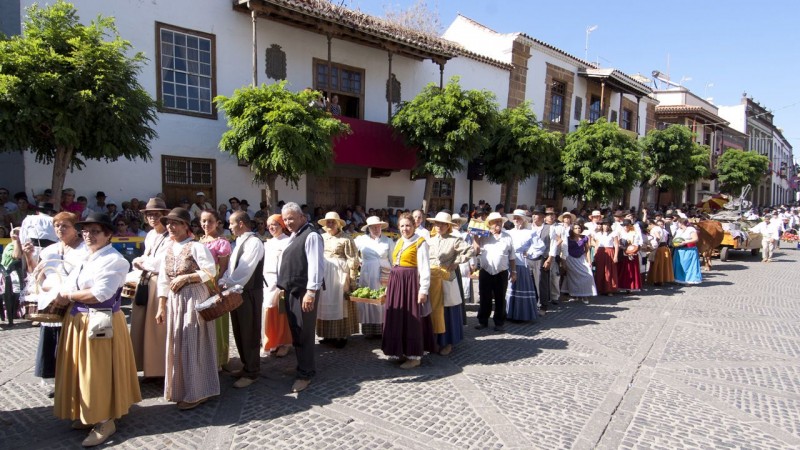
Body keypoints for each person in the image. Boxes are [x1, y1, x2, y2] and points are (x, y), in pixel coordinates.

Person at [53, 212, 140, 447]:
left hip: (101, 319)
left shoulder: (116, 260)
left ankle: (104, 419)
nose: (88, 235)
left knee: (97, 371)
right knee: (80, 369)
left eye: (95, 231)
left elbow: (99, 294)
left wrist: (67, 295)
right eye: (86, 231)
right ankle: (88, 412)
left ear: (108, 234)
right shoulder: (86, 257)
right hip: (78, 319)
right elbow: (72, 283)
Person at [155, 208, 219, 409]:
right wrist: (161, 305)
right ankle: (181, 388)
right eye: (168, 223)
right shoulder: (167, 248)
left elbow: (211, 271)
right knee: (177, 341)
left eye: (175, 223)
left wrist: (187, 277)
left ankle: (198, 391)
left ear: (185, 225)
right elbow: (163, 280)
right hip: (175, 300)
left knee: (194, 341)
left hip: (193, 296)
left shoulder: (196, 247)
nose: (170, 227)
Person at [28, 212, 88, 398]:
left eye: (65, 226)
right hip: (52, 303)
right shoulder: (49, 250)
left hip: (74, 302)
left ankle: (76, 380)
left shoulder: (85, 250)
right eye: (57, 226)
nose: (60, 229)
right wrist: (29, 256)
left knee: (72, 343)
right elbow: (38, 274)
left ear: (75, 228)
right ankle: (58, 381)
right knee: (53, 342)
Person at [276, 202, 324, 393]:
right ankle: (302, 366)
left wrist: (311, 292)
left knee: (304, 332)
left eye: (291, 218)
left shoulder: (311, 235)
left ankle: (306, 373)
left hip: (304, 292)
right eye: (285, 219)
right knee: (296, 330)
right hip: (292, 290)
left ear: (302, 217)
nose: (287, 222)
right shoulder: (294, 235)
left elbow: (316, 265)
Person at [219, 211, 265, 388]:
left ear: (241, 223)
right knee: (239, 330)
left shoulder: (254, 242)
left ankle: (253, 371)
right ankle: (246, 366)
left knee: (250, 331)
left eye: (231, 223)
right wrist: (225, 281)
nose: (229, 226)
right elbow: (233, 268)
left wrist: (228, 283)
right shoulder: (239, 242)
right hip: (237, 290)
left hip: (249, 291)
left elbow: (244, 270)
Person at [382, 212, 433, 369]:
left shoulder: (420, 242)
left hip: (410, 284)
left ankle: (414, 356)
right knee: (398, 317)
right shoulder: (398, 241)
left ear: (414, 226)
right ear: (398, 227)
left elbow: (425, 268)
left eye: (408, 225)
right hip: (397, 284)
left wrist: (423, 290)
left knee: (411, 319)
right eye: (402, 226)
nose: (405, 229)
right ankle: (401, 351)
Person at [130, 198, 170, 380]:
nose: (153, 218)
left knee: (157, 327)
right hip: (146, 281)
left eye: (156, 214)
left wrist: (142, 262)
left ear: (164, 216)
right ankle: (143, 363)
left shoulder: (170, 237)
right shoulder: (150, 235)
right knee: (141, 324)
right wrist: (141, 261)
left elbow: (161, 262)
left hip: (159, 282)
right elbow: (146, 256)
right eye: (149, 215)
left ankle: (158, 367)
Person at [427, 211, 473, 355]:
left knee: (447, 311)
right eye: (437, 223)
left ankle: (447, 342)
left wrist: (456, 262)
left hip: (447, 278)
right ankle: (433, 340)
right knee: (433, 310)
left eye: (442, 224)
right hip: (432, 279)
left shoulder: (454, 240)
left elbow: (470, 250)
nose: (439, 226)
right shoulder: (430, 240)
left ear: (448, 226)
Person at [316, 211, 359, 348]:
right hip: (324, 273)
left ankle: (341, 335)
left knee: (340, 303)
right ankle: (327, 334)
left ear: (338, 224)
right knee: (324, 302)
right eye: (328, 221)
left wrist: (352, 279)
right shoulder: (321, 238)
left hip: (340, 272)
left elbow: (353, 260)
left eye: (332, 221)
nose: (330, 224)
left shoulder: (346, 239)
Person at [198, 210, 232, 371]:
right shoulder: (199, 241)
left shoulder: (221, 243)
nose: (206, 224)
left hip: (213, 284)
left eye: (209, 221)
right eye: (203, 221)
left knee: (216, 320)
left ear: (217, 222)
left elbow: (223, 268)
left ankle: (218, 357)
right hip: (199, 283)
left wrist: (216, 286)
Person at [472, 212, 516, 332]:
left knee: (500, 298)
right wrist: (475, 237)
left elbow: (512, 256)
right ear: (489, 224)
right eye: (495, 221)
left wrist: (514, 272)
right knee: (484, 297)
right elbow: (475, 251)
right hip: (485, 271)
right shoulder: (483, 236)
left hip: (501, 272)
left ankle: (499, 322)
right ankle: (483, 321)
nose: (498, 224)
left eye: (499, 221)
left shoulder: (507, 236)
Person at [353, 216, 393, 338]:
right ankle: (369, 330)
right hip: (367, 273)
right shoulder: (361, 240)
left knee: (382, 298)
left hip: (384, 273)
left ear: (381, 227)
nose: (376, 229)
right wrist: (358, 260)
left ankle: (383, 329)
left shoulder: (388, 241)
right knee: (368, 299)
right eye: (373, 227)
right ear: (368, 228)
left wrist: (392, 274)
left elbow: (393, 259)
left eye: (378, 226)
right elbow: (351, 252)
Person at [261, 214, 293, 357]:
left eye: (274, 224)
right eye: (269, 225)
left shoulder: (288, 242)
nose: (271, 227)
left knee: (282, 311)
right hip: (266, 280)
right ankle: (270, 341)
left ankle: (284, 343)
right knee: (268, 310)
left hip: (280, 280)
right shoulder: (267, 243)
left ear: (282, 225)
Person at [505, 209, 543, 322]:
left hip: (521, 263)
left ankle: (521, 314)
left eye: (519, 218)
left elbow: (540, 246)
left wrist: (529, 253)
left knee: (521, 288)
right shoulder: (509, 232)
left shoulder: (530, 232)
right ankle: (508, 312)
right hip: (508, 263)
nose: (516, 220)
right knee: (509, 288)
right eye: (515, 218)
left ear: (524, 220)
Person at [564, 223, 597, 304]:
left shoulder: (584, 238)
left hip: (581, 259)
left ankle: (584, 294)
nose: (578, 229)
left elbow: (587, 250)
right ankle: (574, 295)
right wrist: (563, 262)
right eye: (575, 228)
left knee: (588, 275)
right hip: (570, 259)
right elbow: (564, 249)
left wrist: (589, 261)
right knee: (573, 278)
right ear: (572, 229)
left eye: (579, 228)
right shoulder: (568, 239)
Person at [592, 217, 619, 295]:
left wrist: (615, 256)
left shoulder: (613, 234)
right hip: (600, 252)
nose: (605, 226)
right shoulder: (598, 234)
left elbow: (616, 245)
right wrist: (595, 255)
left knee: (609, 271)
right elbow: (596, 245)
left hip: (610, 251)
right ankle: (599, 288)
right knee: (600, 271)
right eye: (604, 225)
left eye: (607, 225)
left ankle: (609, 289)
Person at [672, 218, 702, 285]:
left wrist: (685, 242)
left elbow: (696, 239)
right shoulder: (679, 230)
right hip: (679, 250)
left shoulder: (691, 229)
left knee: (687, 265)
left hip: (689, 250)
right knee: (679, 265)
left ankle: (688, 280)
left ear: (681, 223)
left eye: (678, 223)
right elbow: (675, 239)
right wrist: (675, 242)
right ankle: (679, 280)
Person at [617, 219, 643, 293]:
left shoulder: (634, 233)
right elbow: (617, 242)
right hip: (622, 253)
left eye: (627, 225)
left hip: (632, 253)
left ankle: (630, 287)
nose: (626, 227)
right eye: (624, 226)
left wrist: (632, 250)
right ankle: (620, 286)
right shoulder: (620, 233)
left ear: (630, 226)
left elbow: (637, 243)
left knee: (631, 271)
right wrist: (622, 247)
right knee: (622, 270)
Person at [647, 219, 674, 285]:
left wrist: (655, 244)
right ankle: (660, 279)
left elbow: (658, 237)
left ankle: (657, 279)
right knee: (662, 264)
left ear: (650, 224)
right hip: (663, 247)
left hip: (659, 248)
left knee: (658, 264)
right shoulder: (659, 228)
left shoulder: (655, 229)